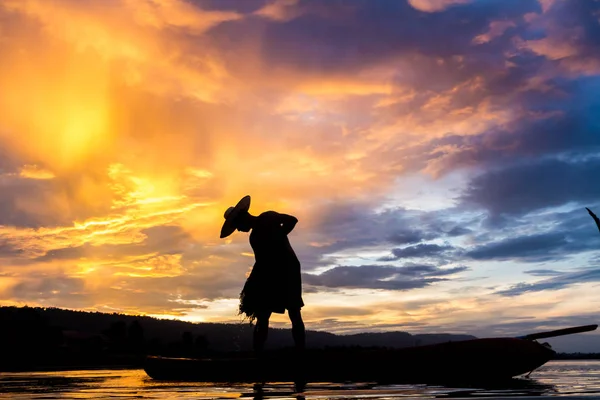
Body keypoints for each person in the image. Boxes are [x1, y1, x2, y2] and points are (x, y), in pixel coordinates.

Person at [220, 195, 306, 356]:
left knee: (294, 311)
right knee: (263, 314)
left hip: (288, 270)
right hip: (272, 274)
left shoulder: (268, 217)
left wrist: (279, 235)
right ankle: (257, 355)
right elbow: (262, 262)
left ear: (242, 217)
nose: (238, 229)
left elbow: (292, 220)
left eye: (237, 225)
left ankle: (301, 354)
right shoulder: (254, 238)